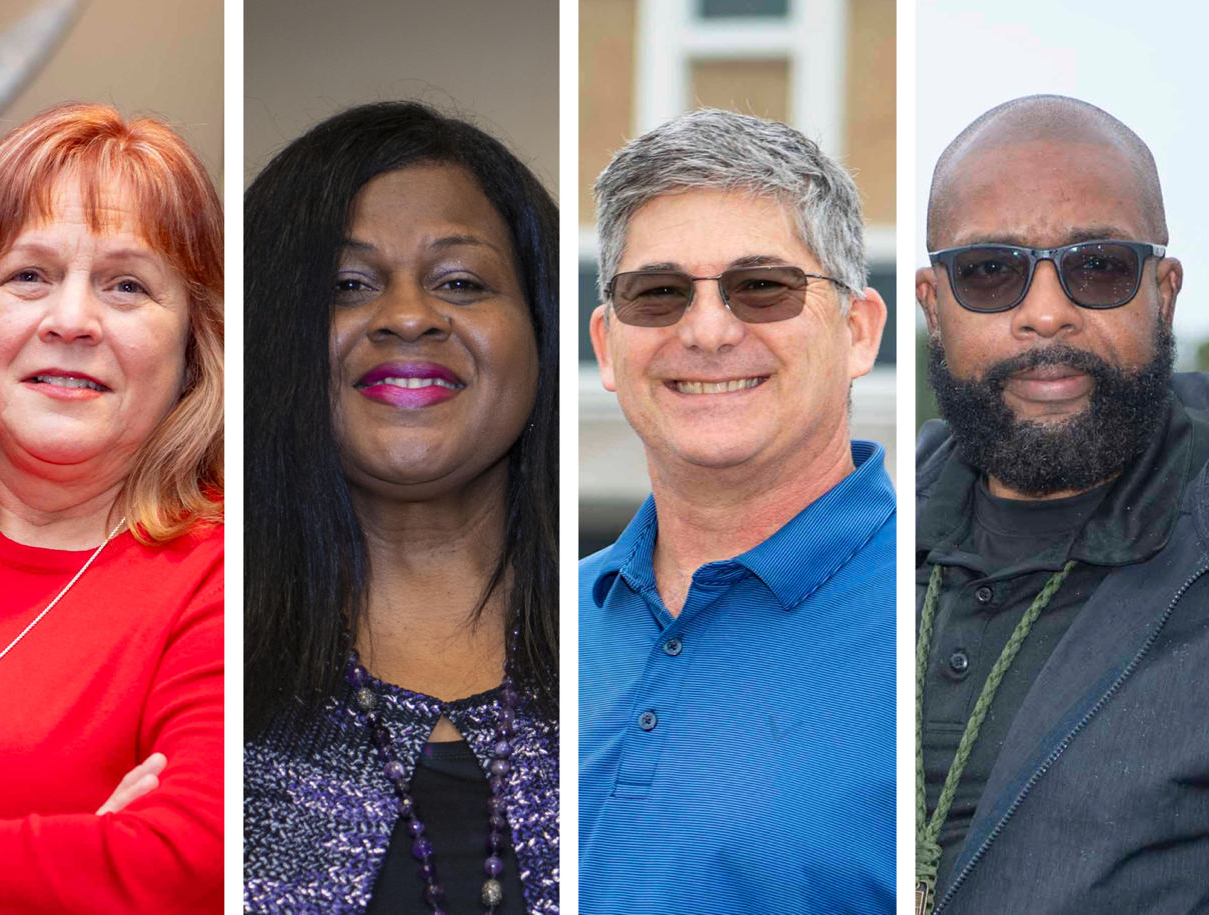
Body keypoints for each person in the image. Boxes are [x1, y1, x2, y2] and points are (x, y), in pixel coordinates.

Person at [242, 101, 559, 915]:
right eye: (348, 285)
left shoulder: (631, 657)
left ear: (541, 329)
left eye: (460, 281)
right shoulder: (196, 658)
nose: (409, 315)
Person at [579, 108, 895, 913]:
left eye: (762, 287)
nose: (709, 330)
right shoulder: (536, 620)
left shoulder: (931, 619)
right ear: (607, 343)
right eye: (659, 293)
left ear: (859, 332)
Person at [915, 95, 1209, 914]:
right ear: (933, 305)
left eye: (1101, 265)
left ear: (1165, 292)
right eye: (990, 272)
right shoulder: (860, 538)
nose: (1046, 312)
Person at [0, 103, 224, 913]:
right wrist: (63, 865)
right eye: (28, 275)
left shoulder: (231, 576)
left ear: (194, 344)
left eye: (127, 285)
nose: (70, 321)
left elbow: (182, 863)